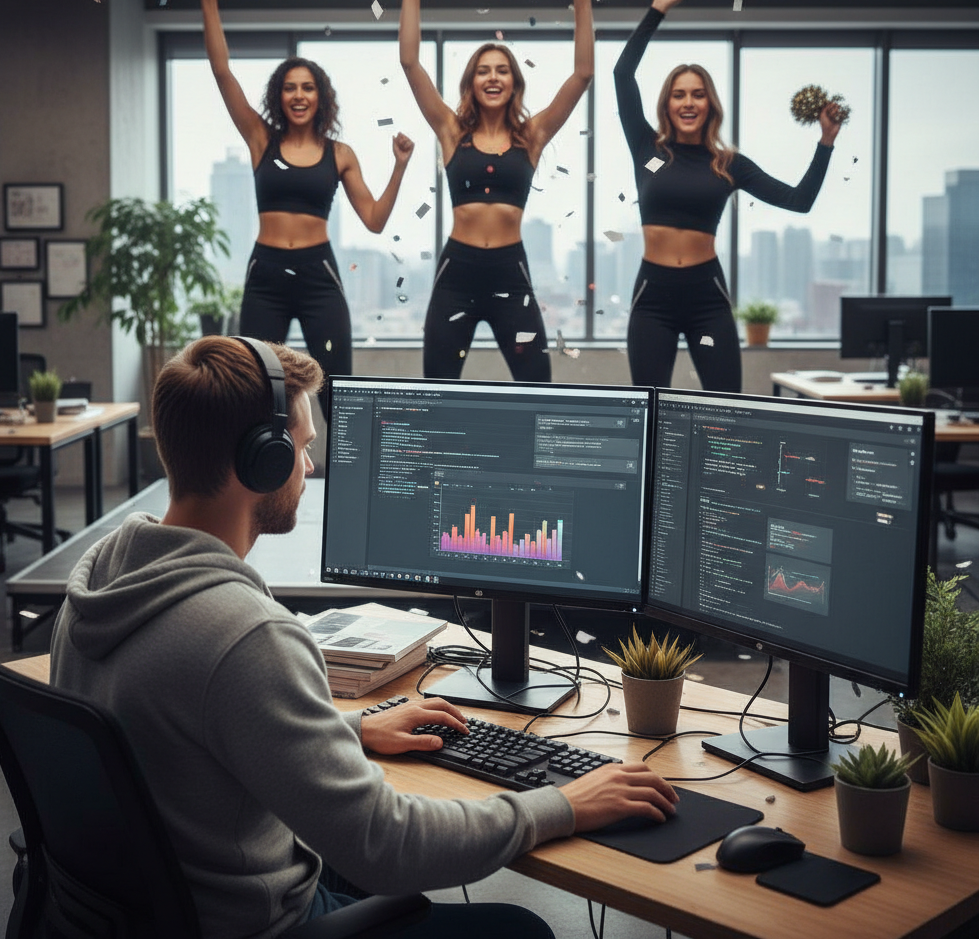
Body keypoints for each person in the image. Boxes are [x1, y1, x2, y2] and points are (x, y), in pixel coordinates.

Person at [50, 335, 679, 939]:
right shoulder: (245, 636)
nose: (310, 464)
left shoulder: (104, 578)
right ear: (261, 461)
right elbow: (388, 846)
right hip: (254, 923)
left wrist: (348, 731)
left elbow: (187, 736)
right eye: (300, 447)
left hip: (151, 912)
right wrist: (564, 803)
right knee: (522, 929)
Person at [196, 0, 415, 401]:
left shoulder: (340, 154)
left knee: (337, 391)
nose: (299, 95)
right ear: (280, 96)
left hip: (319, 277)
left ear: (321, 97)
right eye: (290, 87)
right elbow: (223, 73)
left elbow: (374, 219)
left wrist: (399, 166)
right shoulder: (261, 139)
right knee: (254, 391)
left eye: (308, 87)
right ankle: (266, 472)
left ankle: (339, 472)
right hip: (266, 277)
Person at [615, 0, 843, 393]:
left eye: (697, 95)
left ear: (710, 104)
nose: (688, 103)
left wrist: (826, 141)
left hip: (707, 301)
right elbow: (622, 73)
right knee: (648, 407)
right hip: (654, 301)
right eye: (679, 95)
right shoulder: (646, 148)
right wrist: (657, 10)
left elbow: (799, 200)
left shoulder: (728, 164)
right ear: (667, 103)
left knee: (724, 408)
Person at [399, 0, 593, 381]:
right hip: (457, 274)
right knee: (438, 391)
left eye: (502, 70)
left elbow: (582, 75)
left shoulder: (532, 135)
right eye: (483, 70)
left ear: (513, 82)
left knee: (537, 387)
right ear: (471, 82)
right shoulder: (452, 132)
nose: (492, 77)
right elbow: (410, 62)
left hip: (510, 271)